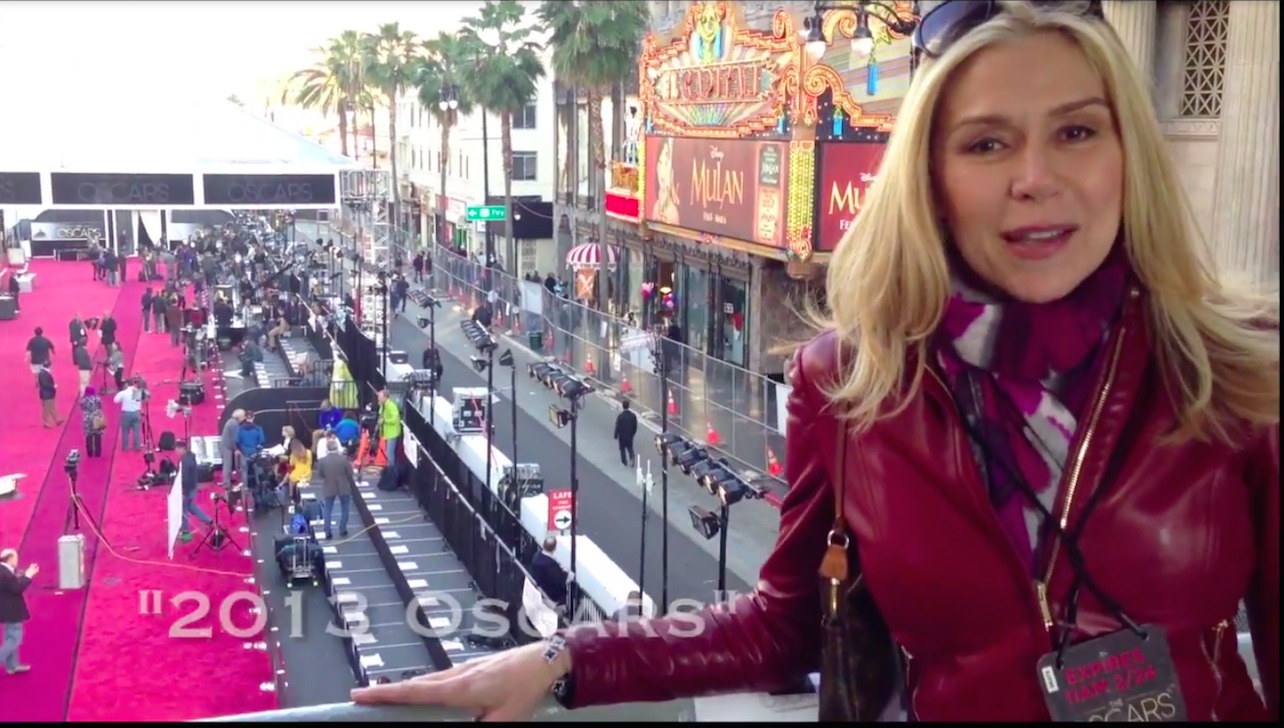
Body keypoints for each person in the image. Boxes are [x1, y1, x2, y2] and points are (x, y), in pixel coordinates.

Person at [350, 2, 1280, 722]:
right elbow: (783, 625)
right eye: (987, 142)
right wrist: (568, 659)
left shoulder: (1244, 379)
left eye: (1077, 130)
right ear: (930, 177)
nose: (1035, 175)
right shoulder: (851, 387)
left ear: (1127, 155)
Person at [0, 548, 36, 675]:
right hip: (11, 611)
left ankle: (12, 666)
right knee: (14, 639)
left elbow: (12, 584)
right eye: (15, 558)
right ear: (10, 559)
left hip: (6, 610)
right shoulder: (4, 573)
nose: (17, 560)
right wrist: (28, 576)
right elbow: (16, 588)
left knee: (10, 638)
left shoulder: (4, 571)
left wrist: (22, 575)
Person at [317, 433, 356, 539]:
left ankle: (327, 531)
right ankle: (342, 529)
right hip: (343, 486)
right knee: (345, 508)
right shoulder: (343, 459)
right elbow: (350, 473)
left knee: (328, 509)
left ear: (327, 449)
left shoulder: (322, 461)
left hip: (329, 486)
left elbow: (320, 475)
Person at [175, 441, 213, 543]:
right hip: (193, 487)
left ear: (182, 448)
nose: (176, 451)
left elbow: (185, 478)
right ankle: (208, 520)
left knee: (184, 511)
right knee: (191, 506)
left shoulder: (185, 461)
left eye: (177, 449)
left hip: (187, 489)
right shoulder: (191, 457)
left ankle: (186, 534)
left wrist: (183, 493)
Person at [376, 389, 402, 484]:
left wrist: (385, 421)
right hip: (387, 433)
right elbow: (380, 415)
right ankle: (390, 473)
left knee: (390, 455)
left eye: (380, 397)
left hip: (392, 433)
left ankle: (392, 475)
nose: (378, 398)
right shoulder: (383, 406)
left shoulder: (391, 406)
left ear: (385, 397)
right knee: (389, 454)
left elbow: (395, 419)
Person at [113, 378, 145, 451]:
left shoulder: (123, 393)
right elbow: (139, 402)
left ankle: (125, 447)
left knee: (125, 431)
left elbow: (115, 401)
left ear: (126, 384)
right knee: (136, 431)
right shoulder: (137, 391)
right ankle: (137, 446)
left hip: (126, 414)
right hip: (136, 412)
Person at [219, 409, 246, 490]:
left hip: (227, 445)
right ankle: (226, 484)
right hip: (227, 447)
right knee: (227, 465)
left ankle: (227, 482)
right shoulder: (234, 424)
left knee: (228, 465)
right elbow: (235, 439)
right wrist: (237, 449)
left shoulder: (232, 422)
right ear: (240, 417)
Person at [282, 438, 312, 505]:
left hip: (297, 474)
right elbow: (310, 463)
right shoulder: (309, 452)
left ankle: (291, 496)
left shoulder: (294, 455)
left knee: (291, 479)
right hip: (307, 474)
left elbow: (291, 464)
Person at [79, 386, 105, 458]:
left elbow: (82, 407)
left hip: (87, 418)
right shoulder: (97, 398)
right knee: (98, 435)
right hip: (96, 416)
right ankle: (98, 452)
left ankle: (90, 452)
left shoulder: (83, 400)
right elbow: (100, 406)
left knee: (88, 435)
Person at [612, 401, 638, 467]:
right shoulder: (633, 416)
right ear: (628, 406)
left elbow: (617, 426)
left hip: (622, 436)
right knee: (630, 447)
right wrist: (633, 433)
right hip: (630, 435)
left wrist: (616, 435)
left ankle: (624, 461)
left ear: (623, 406)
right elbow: (635, 426)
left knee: (622, 448)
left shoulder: (620, 416)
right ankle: (632, 457)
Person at [35, 362, 60, 429]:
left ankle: (57, 419)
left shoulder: (43, 373)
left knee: (51, 407)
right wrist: (53, 386)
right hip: (46, 394)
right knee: (47, 408)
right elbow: (45, 384)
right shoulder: (43, 374)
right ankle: (46, 422)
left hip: (48, 393)